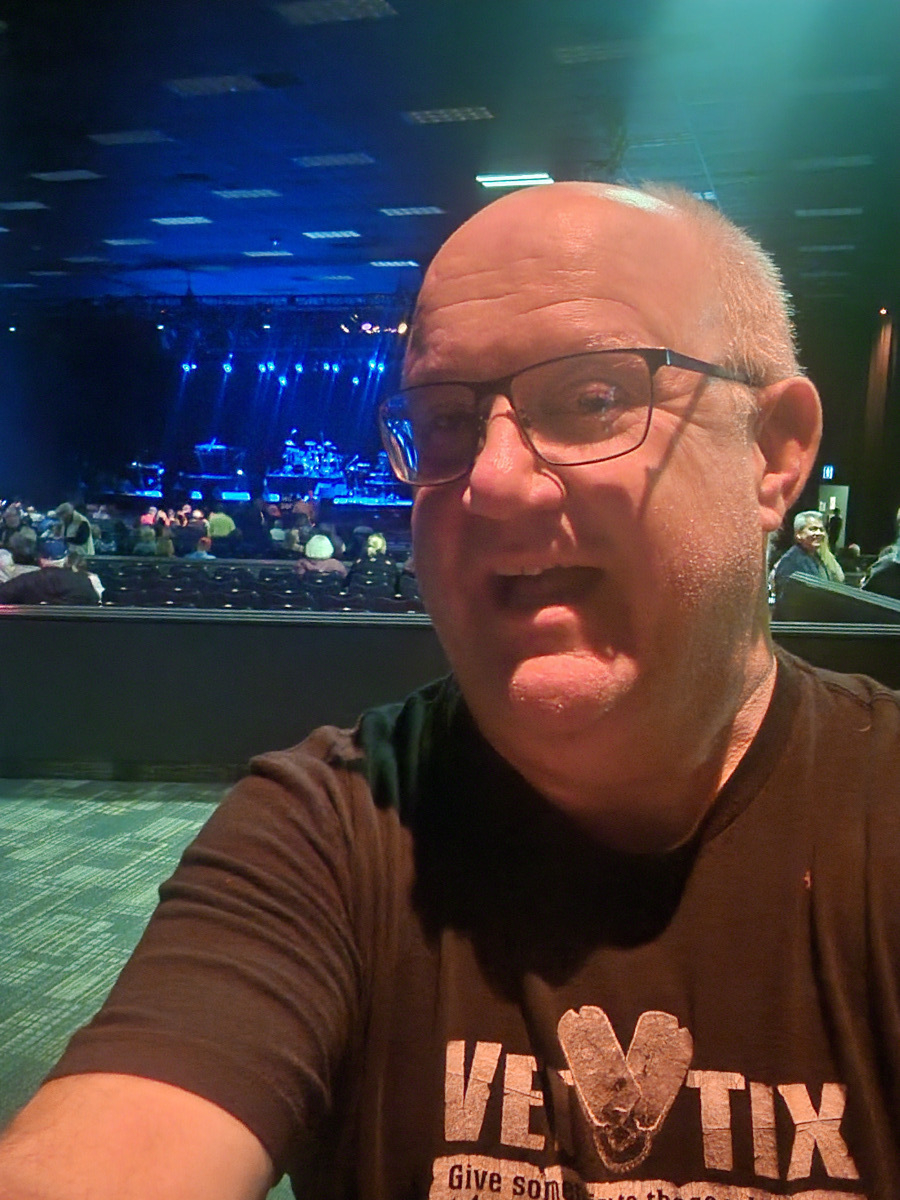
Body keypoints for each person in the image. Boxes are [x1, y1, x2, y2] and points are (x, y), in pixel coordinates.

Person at [1, 181, 899, 1200]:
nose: (494, 481)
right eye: (443, 422)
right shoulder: (329, 831)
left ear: (773, 454)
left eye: (594, 398)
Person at [771, 509, 843, 604]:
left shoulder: (818, 557)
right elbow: (787, 600)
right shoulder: (791, 561)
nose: (818, 533)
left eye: (821, 529)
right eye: (813, 529)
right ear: (798, 535)